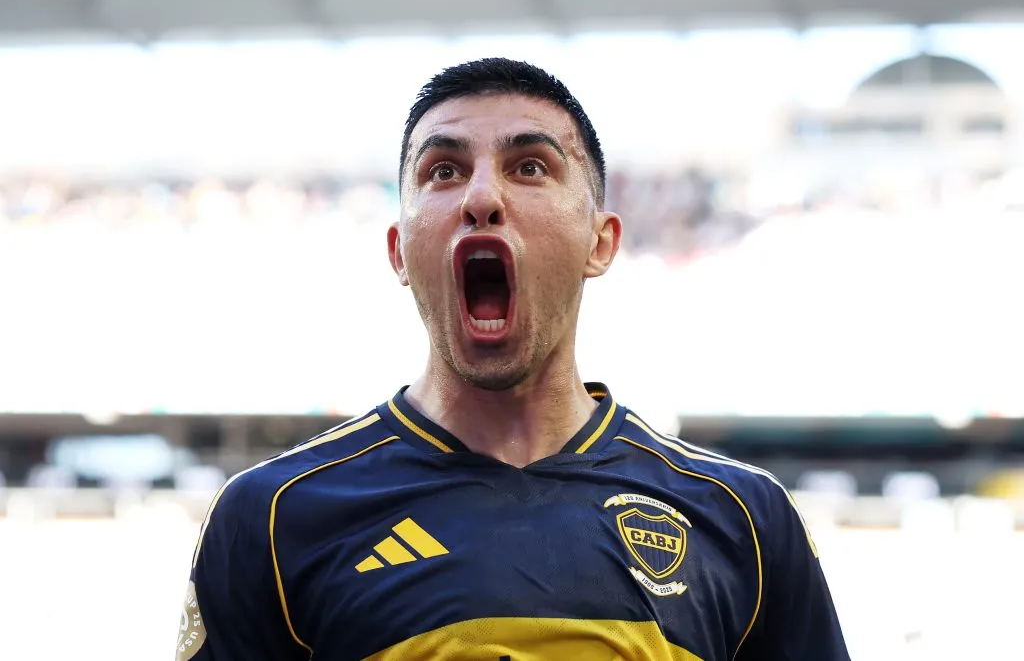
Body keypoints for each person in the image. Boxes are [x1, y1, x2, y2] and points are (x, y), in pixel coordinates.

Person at [176, 57, 850, 661]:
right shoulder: (269, 518)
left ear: (601, 241)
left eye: (530, 166)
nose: (481, 198)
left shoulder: (746, 519)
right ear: (398, 250)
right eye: (443, 170)